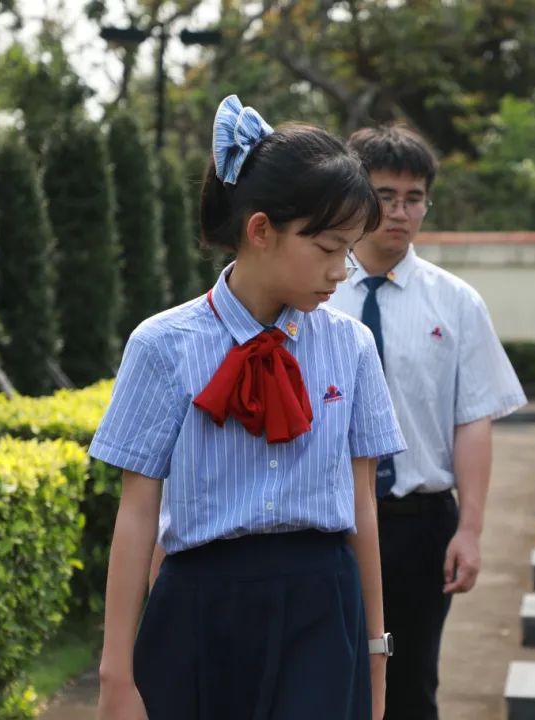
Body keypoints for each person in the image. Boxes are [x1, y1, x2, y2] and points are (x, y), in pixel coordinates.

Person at [90, 95, 406, 720]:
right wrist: (115, 676)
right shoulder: (162, 344)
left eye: (349, 250)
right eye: (326, 248)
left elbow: (362, 504)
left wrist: (375, 652)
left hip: (321, 608)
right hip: (198, 610)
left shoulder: (351, 346)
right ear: (261, 230)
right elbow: (137, 515)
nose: (341, 271)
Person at [327, 124, 527, 720]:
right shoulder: (315, 293)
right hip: (328, 522)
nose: (399, 212)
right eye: (384, 195)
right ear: (355, 195)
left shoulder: (456, 302)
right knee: (329, 678)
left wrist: (470, 528)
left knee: (412, 685)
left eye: (413, 198)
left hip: (418, 525)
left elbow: (472, 420)